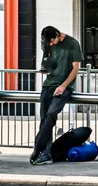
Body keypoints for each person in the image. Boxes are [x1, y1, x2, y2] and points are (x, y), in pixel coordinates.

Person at [32, 26, 83, 165]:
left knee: (51, 114)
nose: (51, 44)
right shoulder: (48, 44)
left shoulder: (72, 43)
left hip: (64, 85)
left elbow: (75, 68)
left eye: (52, 41)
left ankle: (38, 148)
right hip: (48, 85)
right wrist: (45, 68)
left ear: (58, 35)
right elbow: (48, 65)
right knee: (44, 119)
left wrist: (64, 86)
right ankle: (45, 153)